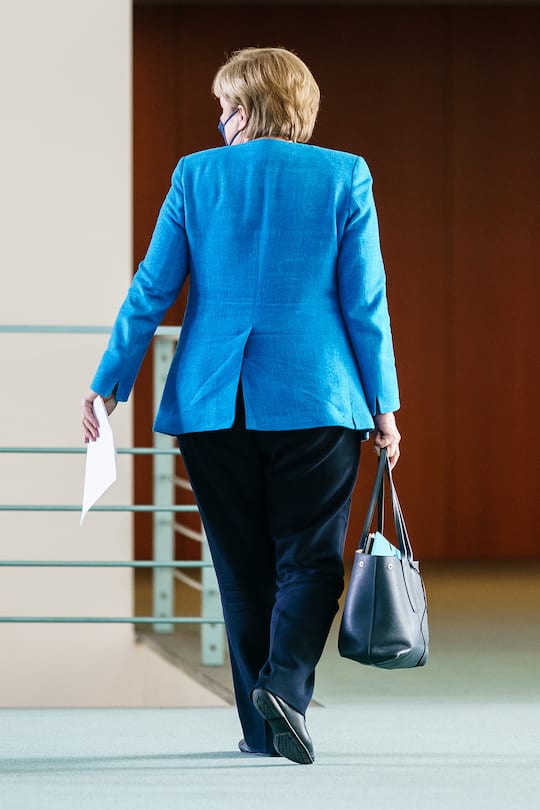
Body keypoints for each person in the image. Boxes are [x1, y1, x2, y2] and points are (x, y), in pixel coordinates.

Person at [81, 47, 401, 765]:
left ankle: (261, 731)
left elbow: (151, 290)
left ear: (251, 109)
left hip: (211, 401)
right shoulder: (343, 174)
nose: (218, 121)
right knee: (311, 561)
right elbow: (365, 302)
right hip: (316, 396)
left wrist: (107, 382)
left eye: (225, 106)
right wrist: (384, 405)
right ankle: (285, 687)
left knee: (240, 569)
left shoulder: (195, 176)